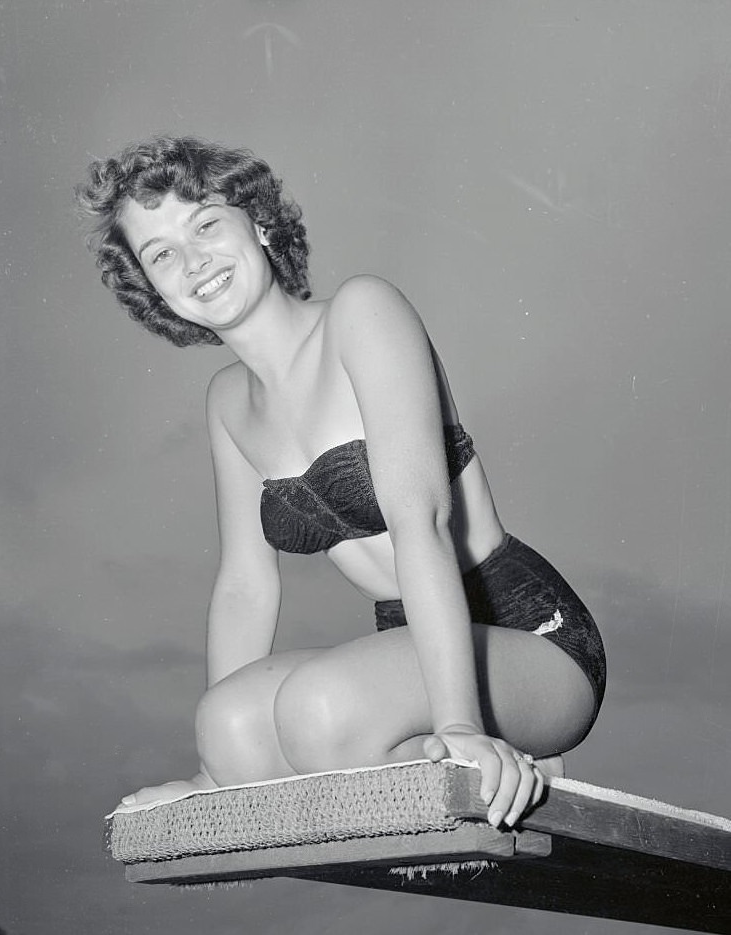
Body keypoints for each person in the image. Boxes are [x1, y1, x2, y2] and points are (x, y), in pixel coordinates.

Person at [77, 136, 606, 831]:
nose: (192, 261)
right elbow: (244, 584)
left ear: (257, 223)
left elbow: (420, 521)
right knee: (228, 723)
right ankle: (452, 751)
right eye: (161, 254)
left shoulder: (362, 311)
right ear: (154, 290)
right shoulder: (228, 401)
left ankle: (502, 757)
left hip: (522, 634)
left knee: (317, 712)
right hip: (406, 644)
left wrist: (459, 723)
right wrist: (217, 773)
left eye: (204, 225)